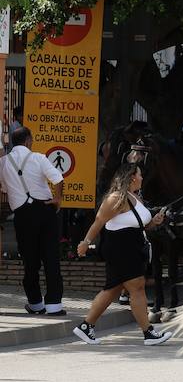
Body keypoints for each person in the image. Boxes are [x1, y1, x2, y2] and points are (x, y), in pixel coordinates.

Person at [71, 164, 171, 345]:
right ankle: (148, 333)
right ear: (132, 177)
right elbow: (98, 221)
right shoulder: (116, 198)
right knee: (137, 286)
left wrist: (154, 221)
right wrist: (85, 242)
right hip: (120, 248)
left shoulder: (135, 197)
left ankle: (86, 326)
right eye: (140, 174)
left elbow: (140, 225)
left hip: (133, 246)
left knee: (112, 289)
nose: (142, 178)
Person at [1, 127, 66, 315]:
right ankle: (54, 305)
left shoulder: (3, 163)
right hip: (45, 210)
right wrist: (57, 198)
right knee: (51, 257)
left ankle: (36, 303)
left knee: (30, 260)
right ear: (28, 140)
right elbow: (58, 179)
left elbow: (4, 188)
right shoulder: (38, 157)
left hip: (22, 215)